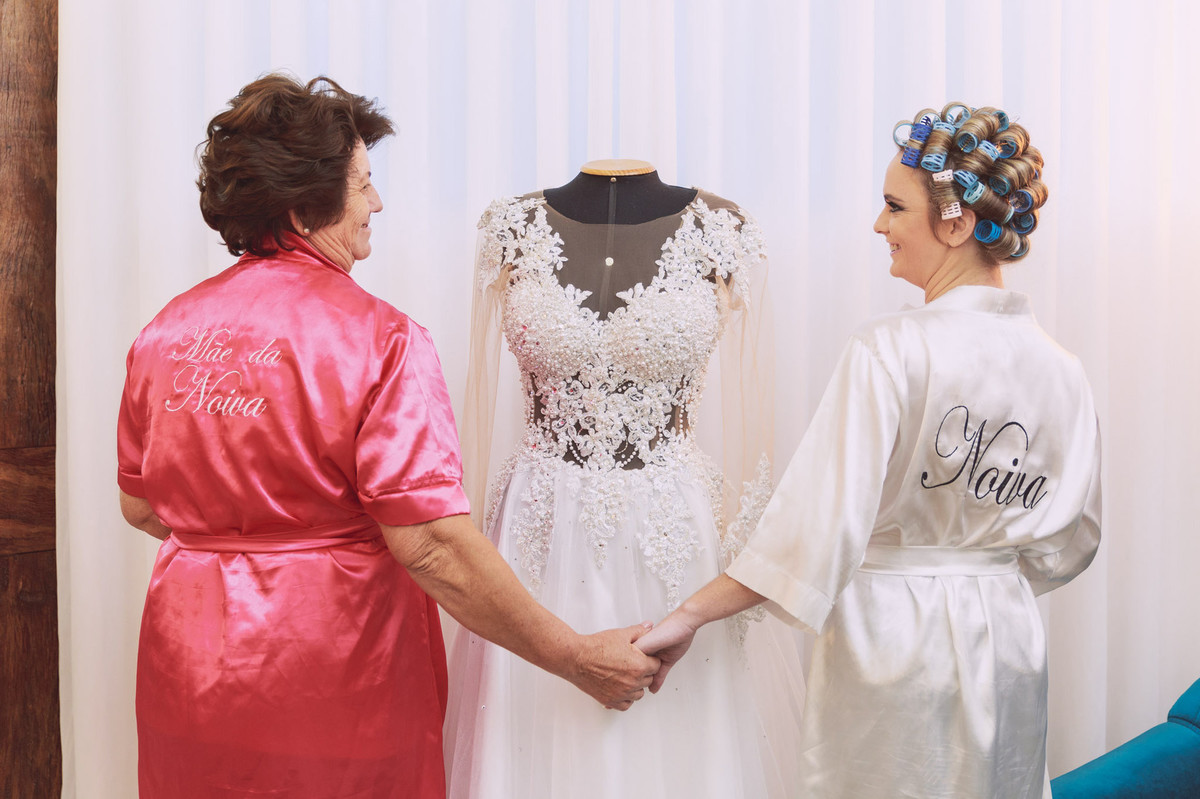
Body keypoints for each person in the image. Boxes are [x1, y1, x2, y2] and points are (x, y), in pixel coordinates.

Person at [116, 75, 658, 799]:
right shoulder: (382, 339)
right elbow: (432, 544)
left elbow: (142, 506)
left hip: (188, 668)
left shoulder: (165, 331)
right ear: (307, 207)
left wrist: (244, 534)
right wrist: (574, 655)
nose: (378, 203)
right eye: (364, 184)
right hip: (333, 669)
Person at [636, 104, 1103, 798]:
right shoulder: (1063, 368)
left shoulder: (891, 348)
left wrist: (687, 615)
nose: (879, 226)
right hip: (1008, 637)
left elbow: (815, 528)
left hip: (896, 639)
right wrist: (977, 566)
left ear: (956, 221)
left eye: (894, 206)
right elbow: (1072, 542)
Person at [444, 160, 806, 799]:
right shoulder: (510, 226)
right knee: (532, 728)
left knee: (676, 742)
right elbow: (474, 400)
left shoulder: (721, 229)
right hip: (536, 522)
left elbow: (758, 415)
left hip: (670, 531)